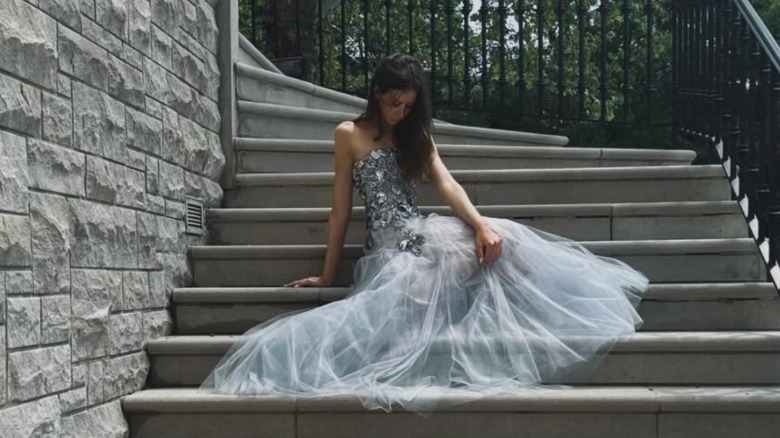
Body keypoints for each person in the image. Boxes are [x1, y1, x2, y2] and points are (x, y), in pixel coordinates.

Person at [201, 54, 649, 414]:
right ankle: (419, 316)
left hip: (425, 235)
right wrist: (327, 274)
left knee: (504, 238)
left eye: (408, 105)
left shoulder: (417, 136)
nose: (400, 112)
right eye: (393, 102)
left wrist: (480, 225)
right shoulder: (348, 134)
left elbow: (448, 184)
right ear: (376, 94)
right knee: (406, 291)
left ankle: (547, 311)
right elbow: (340, 210)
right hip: (388, 250)